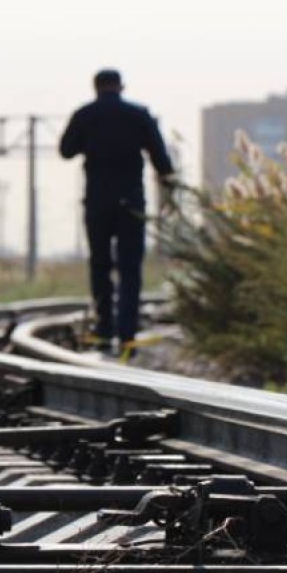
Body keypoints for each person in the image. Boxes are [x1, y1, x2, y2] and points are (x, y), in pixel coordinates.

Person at [59, 68, 177, 358]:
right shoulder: (138, 115)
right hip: (131, 203)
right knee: (130, 267)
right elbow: (161, 159)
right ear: (121, 87)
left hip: (97, 200)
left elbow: (66, 150)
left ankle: (103, 329)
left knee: (100, 264)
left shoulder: (84, 114)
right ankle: (126, 335)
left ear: (96, 87)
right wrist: (169, 189)